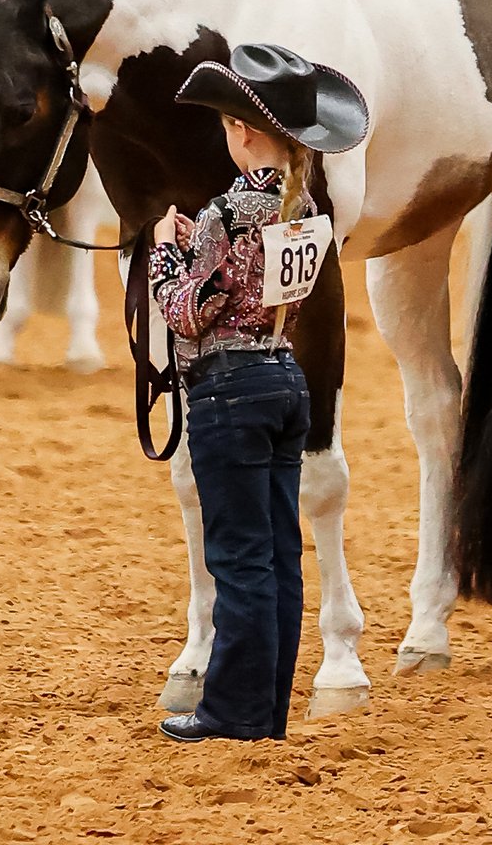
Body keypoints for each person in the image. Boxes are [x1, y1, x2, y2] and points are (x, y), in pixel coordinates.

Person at [148, 43, 368, 743]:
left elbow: (189, 311)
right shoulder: (305, 207)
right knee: (277, 556)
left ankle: (233, 712)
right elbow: (249, 287)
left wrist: (164, 254)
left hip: (231, 390)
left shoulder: (228, 211)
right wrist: (200, 253)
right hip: (283, 379)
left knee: (239, 557)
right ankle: (265, 706)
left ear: (243, 132)